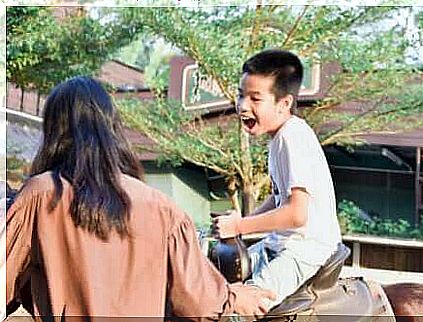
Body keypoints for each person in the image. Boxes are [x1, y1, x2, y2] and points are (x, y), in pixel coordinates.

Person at [4, 76, 275, 321]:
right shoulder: (162, 208)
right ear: (112, 129)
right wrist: (235, 297)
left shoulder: (40, 197)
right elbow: (199, 302)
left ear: (53, 132)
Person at [212, 49, 342, 310]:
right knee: (214, 279)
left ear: (284, 104)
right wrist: (243, 226)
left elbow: (296, 214)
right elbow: (279, 197)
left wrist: (239, 227)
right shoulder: (281, 137)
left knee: (239, 307)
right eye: (241, 95)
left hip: (304, 251)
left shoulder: (292, 138)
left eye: (255, 98)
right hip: (282, 244)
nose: (242, 105)